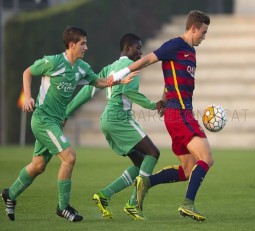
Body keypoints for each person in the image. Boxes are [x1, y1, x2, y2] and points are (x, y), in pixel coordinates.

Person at [0, 26, 136, 222]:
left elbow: (98, 82)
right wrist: (28, 96)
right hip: (43, 119)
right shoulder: (53, 61)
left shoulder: (82, 67)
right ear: (71, 45)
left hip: (55, 122)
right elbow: (27, 72)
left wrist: (120, 81)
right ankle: (63, 207)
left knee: (38, 166)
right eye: (83, 43)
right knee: (69, 157)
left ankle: (10, 194)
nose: (86, 47)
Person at [110, 10, 213, 222]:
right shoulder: (175, 45)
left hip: (178, 113)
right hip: (180, 114)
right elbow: (148, 58)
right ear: (193, 28)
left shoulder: (191, 52)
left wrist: (163, 100)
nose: (204, 37)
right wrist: (121, 74)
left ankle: (146, 182)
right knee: (207, 158)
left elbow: (170, 80)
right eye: (203, 33)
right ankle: (187, 204)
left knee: (186, 170)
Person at [65, 33, 165, 220]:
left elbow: (89, 90)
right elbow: (130, 92)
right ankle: (134, 203)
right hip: (120, 119)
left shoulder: (110, 67)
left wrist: (67, 111)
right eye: (137, 47)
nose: (140, 51)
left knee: (141, 162)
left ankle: (104, 195)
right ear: (127, 48)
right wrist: (154, 105)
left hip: (107, 120)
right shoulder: (130, 68)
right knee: (154, 153)